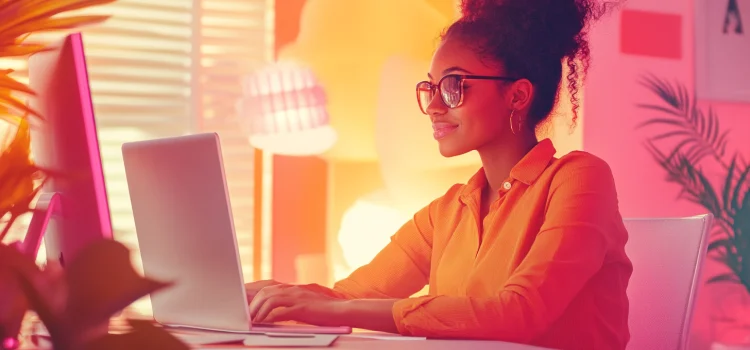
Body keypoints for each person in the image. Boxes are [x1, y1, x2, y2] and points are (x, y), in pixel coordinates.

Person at [246, 0, 632, 349]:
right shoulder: (446, 212)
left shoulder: (581, 179)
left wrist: (333, 311)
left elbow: (519, 315)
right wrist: (269, 294)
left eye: (453, 86)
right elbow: (350, 296)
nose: (432, 105)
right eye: (429, 87)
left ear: (517, 96)